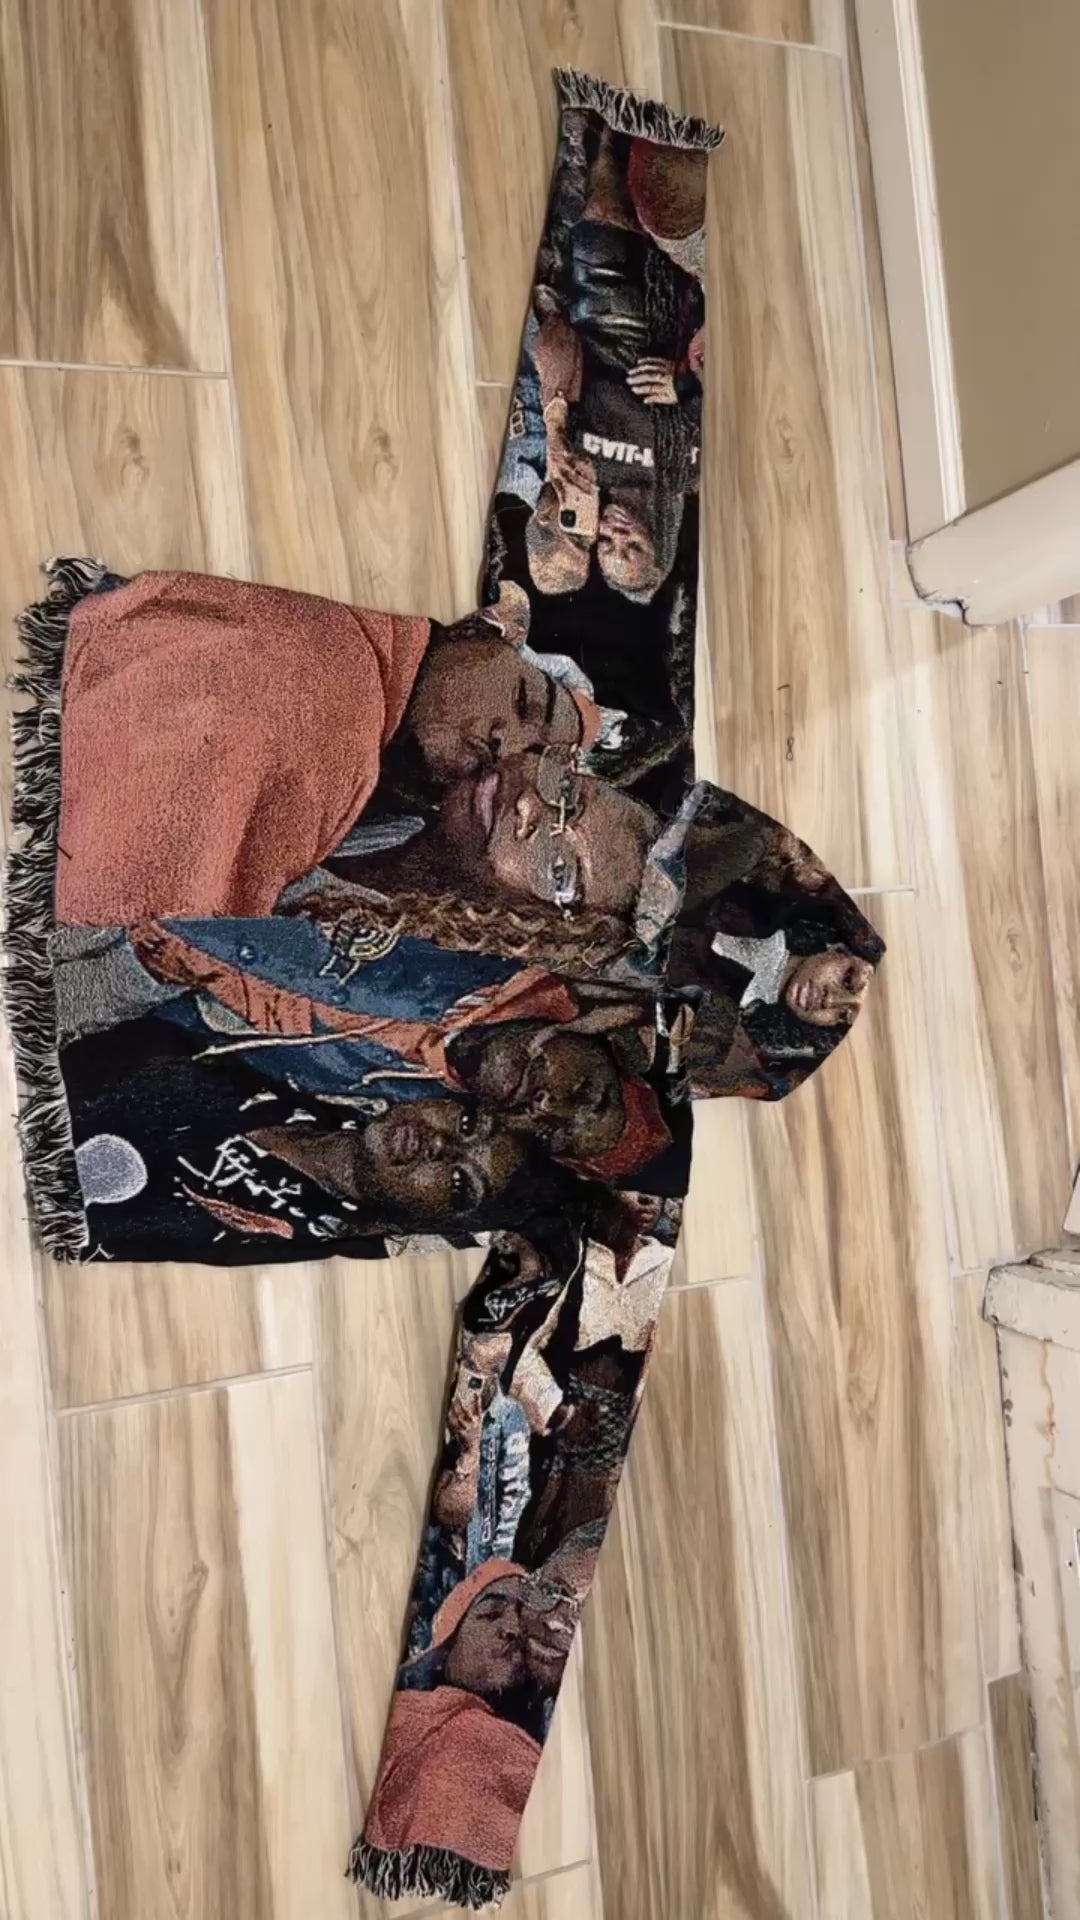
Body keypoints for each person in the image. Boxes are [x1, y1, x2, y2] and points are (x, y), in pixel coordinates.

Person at [54, 570, 598, 925]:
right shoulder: (337, 702)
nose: (506, 744)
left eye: (526, 756)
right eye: (525, 700)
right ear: (480, 631)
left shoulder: (376, 784)